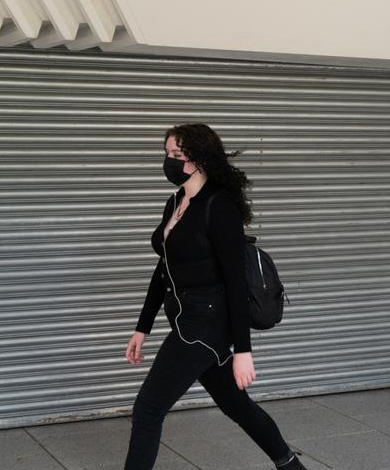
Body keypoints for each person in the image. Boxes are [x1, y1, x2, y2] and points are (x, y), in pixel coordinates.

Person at [123, 123, 306, 470]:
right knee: (237, 406)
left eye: (177, 155)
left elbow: (236, 283)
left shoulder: (219, 206)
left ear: (200, 158)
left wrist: (243, 351)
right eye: (166, 154)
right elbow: (164, 269)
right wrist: (141, 328)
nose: (169, 161)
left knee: (148, 409)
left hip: (204, 326)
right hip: (188, 319)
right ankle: (292, 466)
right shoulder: (176, 201)